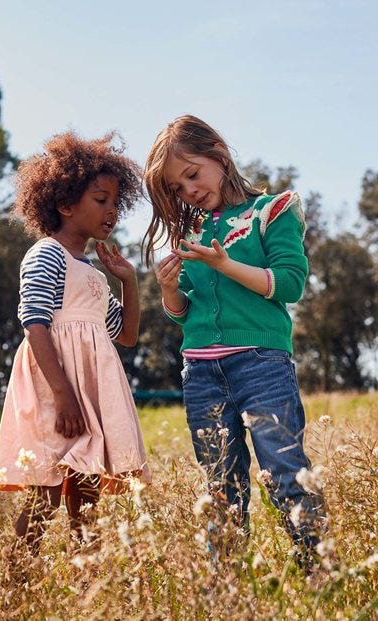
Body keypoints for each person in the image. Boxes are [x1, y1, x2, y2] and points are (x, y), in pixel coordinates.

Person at [142, 114, 325, 567]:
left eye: (192, 174)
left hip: (261, 363)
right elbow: (188, 313)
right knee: (221, 485)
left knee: (284, 470)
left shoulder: (274, 210)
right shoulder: (194, 232)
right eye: (178, 188)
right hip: (200, 371)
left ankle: (320, 568)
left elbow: (289, 283)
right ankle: (225, 586)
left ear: (218, 154)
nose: (189, 191)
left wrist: (225, 265)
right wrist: (169, 292)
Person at [0, 131, 151, 553]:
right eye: (101, 199)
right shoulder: (47, 254)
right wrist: (63, 395)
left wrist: (128, 282)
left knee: (87, 492)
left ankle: (87, 585)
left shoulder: (95, 275)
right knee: (46, 491)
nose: (112, 210)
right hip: (54, 390)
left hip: (89, 393)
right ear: (64, 204)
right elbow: (35, 324)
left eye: (116, 202)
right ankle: (14, 589)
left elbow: (126, 335)